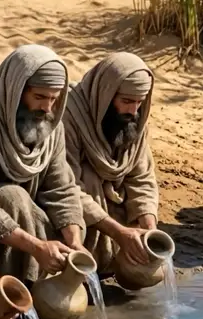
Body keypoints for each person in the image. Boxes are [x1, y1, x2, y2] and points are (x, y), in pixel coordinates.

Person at [0, 44, 89, 286]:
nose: (47, 108)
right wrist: (37, 247)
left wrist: (75, 242)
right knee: (12, 196)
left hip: (31, 224)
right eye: (39, 97)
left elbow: (61, 188)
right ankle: (11, 286)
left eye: (54, 98)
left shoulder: (51, 125)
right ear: (15, 90)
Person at [62, 52, 159, 277]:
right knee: (90, 176)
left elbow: (141, 177)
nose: (133, 111)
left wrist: (148, 226)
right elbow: (66, 186)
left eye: (139, 102)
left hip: (115, 208)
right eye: (126, 101)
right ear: (105, 94)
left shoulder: (136, 118)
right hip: (77, 211)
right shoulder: (70, 117)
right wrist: (118, 232)